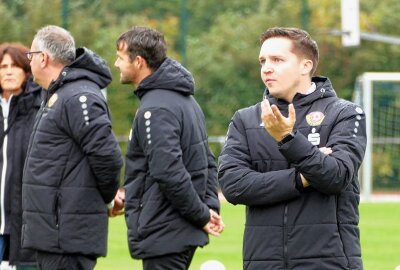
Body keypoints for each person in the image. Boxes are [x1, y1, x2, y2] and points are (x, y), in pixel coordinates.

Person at [218, 27, 367, 270]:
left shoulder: (346, 113)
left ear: (305, 66)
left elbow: (335, 176)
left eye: (277, 60)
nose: (266, 67)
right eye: (263, 61)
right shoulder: (245, 119)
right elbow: (233, 185)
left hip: (329, 263)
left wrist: (287, 138)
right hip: (263, 264)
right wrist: (299, 179)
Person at [112, 26, 224, 270]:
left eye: (120, 58)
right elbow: (207, 160)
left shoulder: (157, 107)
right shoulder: (184, 100)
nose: (116, 64)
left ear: (139, 61)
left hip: (165, 230)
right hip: (177, 230)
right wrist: (207, 209)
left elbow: (168, 171)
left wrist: (203, 214)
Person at [21, 25, 123, 270]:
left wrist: (108, 198)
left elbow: (107, 156)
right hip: (55, 235)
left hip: (64, 236)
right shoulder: (59, 95)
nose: (29, 62)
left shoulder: (78, 96)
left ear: (43, 58)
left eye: (31, 55)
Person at [0, 43, 41, 270]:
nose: (7, 71)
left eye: (14, 66)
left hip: (26, 225)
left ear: (26, 71)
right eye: (3, 66)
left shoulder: (40, 109)